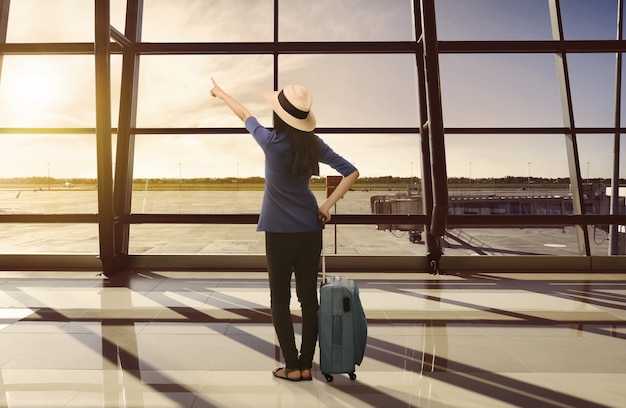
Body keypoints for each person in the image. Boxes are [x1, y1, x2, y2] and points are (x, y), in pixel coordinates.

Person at [210, 78, 359, 381]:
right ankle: (306, 364)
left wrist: (222, 93)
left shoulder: (269, 140)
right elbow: (351, 172)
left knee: (280, 299)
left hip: (278, 233)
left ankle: (291, 366)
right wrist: (326, 205)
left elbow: (244, 114)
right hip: (309, 228)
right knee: (308, 298)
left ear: (279, 115)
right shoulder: (313, 144)